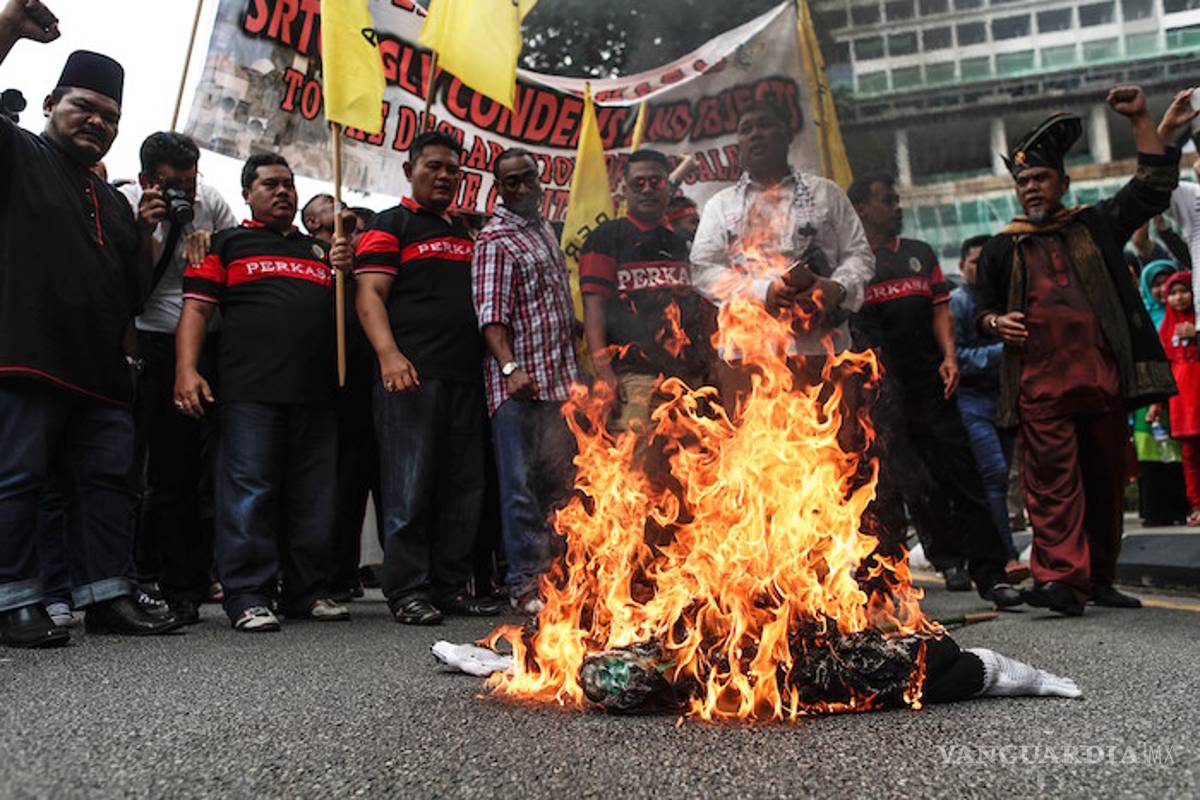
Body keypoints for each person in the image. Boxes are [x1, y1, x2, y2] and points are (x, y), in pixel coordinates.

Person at [0, 3, 185, 647]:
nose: (98, 122)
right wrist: (9, 27)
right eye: (85, 107)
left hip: (101, 371)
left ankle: (109, 595)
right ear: (51, 102)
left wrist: (150, 236)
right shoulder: (17, 151)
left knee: (107, 484)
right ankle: (12, 601)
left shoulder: (110, 196)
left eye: (111, 117)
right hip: (26, 355)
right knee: (18, 479)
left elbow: (132, 294)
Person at [974, 86, 1196, 616]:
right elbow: (983, 310)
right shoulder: (1003, 246)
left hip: (1101, 383)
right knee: (1052, 490)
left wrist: (1141, 118)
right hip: (1040, 391)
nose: (1031, 188)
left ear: (1063, 182)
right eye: (1023, 181)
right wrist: (996, 321)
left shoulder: (1093, 225)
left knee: (1105, 484)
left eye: (1040, 178)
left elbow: (1151, 188)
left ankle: (1099, 579)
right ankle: (1060, 581)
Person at [175, 154, 353, 632]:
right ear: (247, 194)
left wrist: (345, 269)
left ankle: (307, 592)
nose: (283, 193)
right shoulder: (225, 244)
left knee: (313, 497)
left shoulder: (321, 251)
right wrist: (186, 370)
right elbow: (196, 310)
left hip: (316, 393)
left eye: (289, 185)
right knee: (249, 493)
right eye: (270, 184)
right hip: (249, 391)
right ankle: (248, 594)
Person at [849, 175, 1021, 610]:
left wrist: (949, 357)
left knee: (963, 471)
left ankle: (992, 573)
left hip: (932, 382)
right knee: (909, 482)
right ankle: (946, 561)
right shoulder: (851, 262)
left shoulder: (919, 254)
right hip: (881, 394)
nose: (896, 206)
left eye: (896, 199)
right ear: (862, 209)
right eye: (887, 199)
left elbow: (940, 310)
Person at [355, 131, 493, 625]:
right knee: (409, 488)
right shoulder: (390, 223)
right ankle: (408, 590)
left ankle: (450, 586)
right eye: (433, 166)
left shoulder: (467, 233)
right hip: (411, 376)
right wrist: (389, 355)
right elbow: (369, 294)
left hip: (466, 377)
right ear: (409, 170)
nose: (443, 176)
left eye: (452, 169)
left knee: (464, 488)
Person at [117, 131, 237, 624]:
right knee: (137, 469)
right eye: (173, 186)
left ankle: (185, 584)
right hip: (145, 342)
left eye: (190, 183)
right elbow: (126, 287)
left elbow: (236, 256)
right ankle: (130, 579)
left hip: (200, 344)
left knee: (185, 470)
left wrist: (215, 250)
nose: (184, 194)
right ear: (148, 179)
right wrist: (144, 234)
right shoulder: (126, 200)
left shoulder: (210, 201)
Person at [472, 147, 582, 613]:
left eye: (527, 178)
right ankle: (526, 584)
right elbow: (490, 315)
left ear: (539, 180)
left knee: (559, 488)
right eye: (510, 181)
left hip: (560, 384)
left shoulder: (544, 232)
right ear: (498, 188)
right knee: (521, 490)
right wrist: (510, 368)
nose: (520, 188)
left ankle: (560, 584)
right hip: (519, 387)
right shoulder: (495, 239)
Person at [691, 100, 874, 362]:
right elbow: (703, 269)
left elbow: (859, 254)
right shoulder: (721, 205)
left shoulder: (826, 193)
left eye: (765, 125)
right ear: (739, 143)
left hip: (822, 350)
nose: (755, 134)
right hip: (750, 353)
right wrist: (763, 291)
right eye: (746, 129)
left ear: (787, 134)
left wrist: (837, 288)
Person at [581, 149, 715, 432]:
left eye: (656, 182)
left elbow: (698, 308)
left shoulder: (681, 243)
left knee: (690, 458)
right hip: (635, 380)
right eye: (638, 183)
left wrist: (708, 365)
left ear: (668, 188)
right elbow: (594, 308)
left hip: (688, 378)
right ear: (624, 190)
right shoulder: (605, 238)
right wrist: (604, 373)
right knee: (636, 458)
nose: (647, 189)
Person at [301, 196, 378, 602]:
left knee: (356, 480)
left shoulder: (361, 251)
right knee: (327, 481)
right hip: (324, 382)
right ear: (311, 221)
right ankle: (321, 572)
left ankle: (346, 571)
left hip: (364, 379)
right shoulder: (306, 251)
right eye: (329, 204)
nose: (340, 206)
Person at [950, 235, 1028, 581]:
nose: (982, 269)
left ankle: (1004, 556)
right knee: (993, 474)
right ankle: (1004, 557)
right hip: (972, 400)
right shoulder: (958, 302)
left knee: (1005, 477)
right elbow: (956, 357)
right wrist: (1004, 351)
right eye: (975, 263)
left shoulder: (1004, 297)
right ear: (962, 266)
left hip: (1005, 398)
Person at [1131, 260, 1189, 526]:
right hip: (1149, 391)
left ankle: (1180, 506)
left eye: (1166, 283)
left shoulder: (1185, 316)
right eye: (1155, 284)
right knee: (1150, 450)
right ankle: (1154, 510)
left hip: (1180, 394)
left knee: (1179, 451)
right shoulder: (1141, 315)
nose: (1162, 290)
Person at [1149, 272, 1200, 525]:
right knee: (1189, 455)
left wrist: (1197, 334)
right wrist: (1156, 404)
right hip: (1181, 402)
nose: (1178, 298)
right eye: (1173, 293)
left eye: (1184, 291)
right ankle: (1197, 505)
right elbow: (1163, 368)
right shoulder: (1166, 328)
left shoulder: (1197, 322)